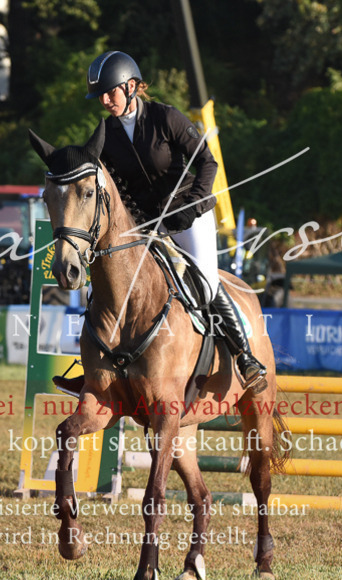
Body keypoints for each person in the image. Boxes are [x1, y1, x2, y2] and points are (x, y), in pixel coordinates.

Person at [85, 50, 269, 391]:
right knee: (114, 282)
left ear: (131, 86)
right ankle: (98, 368)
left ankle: (246, 357)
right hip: (145, 224)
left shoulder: (164, 117)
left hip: (188, 216)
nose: (105, 100)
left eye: (110, 91)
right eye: (101, 95)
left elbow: (207, 162)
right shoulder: (106, 134)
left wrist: (195, 201)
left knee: (206, 283)